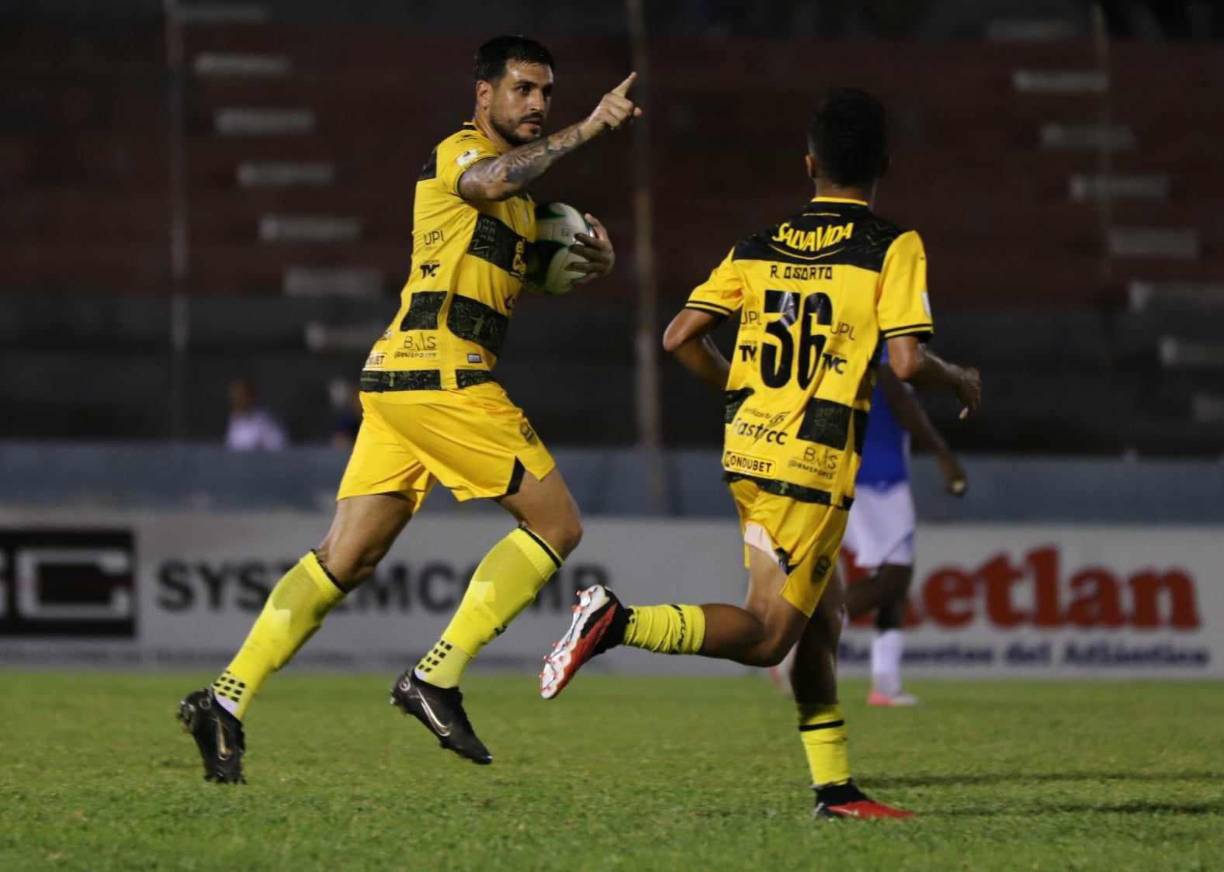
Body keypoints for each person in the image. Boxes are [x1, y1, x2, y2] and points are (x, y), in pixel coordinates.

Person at [178, 35, 641, 783]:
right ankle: (436, 675)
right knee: (557, 524)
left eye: (546, 93)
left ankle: (224, 700)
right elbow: (489, 180)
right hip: (442, 375)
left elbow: (528, 263)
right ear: (484, 95)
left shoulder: (523, 209)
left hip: (398, 378)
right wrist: (586, 128)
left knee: (346, 558)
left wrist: (591, 261)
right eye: (522, 89)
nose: (537, 104)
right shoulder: (460, 154)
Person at [539, 88, 981, 819]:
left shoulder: (758, 244)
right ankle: (617, 621)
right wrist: (958, 377)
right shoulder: (891, 245)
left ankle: (835, 790)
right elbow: (905, 362)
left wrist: (745, 391)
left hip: (748, 449)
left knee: (824, 617)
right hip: (812, 463)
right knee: (771, 634)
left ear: (808, 164)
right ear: (885, 165)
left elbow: (679, 336)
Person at [841, 347, 967, 707]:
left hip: (865, 472)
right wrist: (943, 454)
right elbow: (900, 400)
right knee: (894, 579)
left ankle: (886, 684)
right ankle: (807, 633)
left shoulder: (861, 341)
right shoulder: (880, 344)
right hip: (876, 478)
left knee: (895, 583)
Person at [224, 377, 288, 451]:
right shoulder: (234, 420)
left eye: (241, 396)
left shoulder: (265, 421)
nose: (237, 400)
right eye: (235, 397)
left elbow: (280, 448)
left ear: (250, 397)